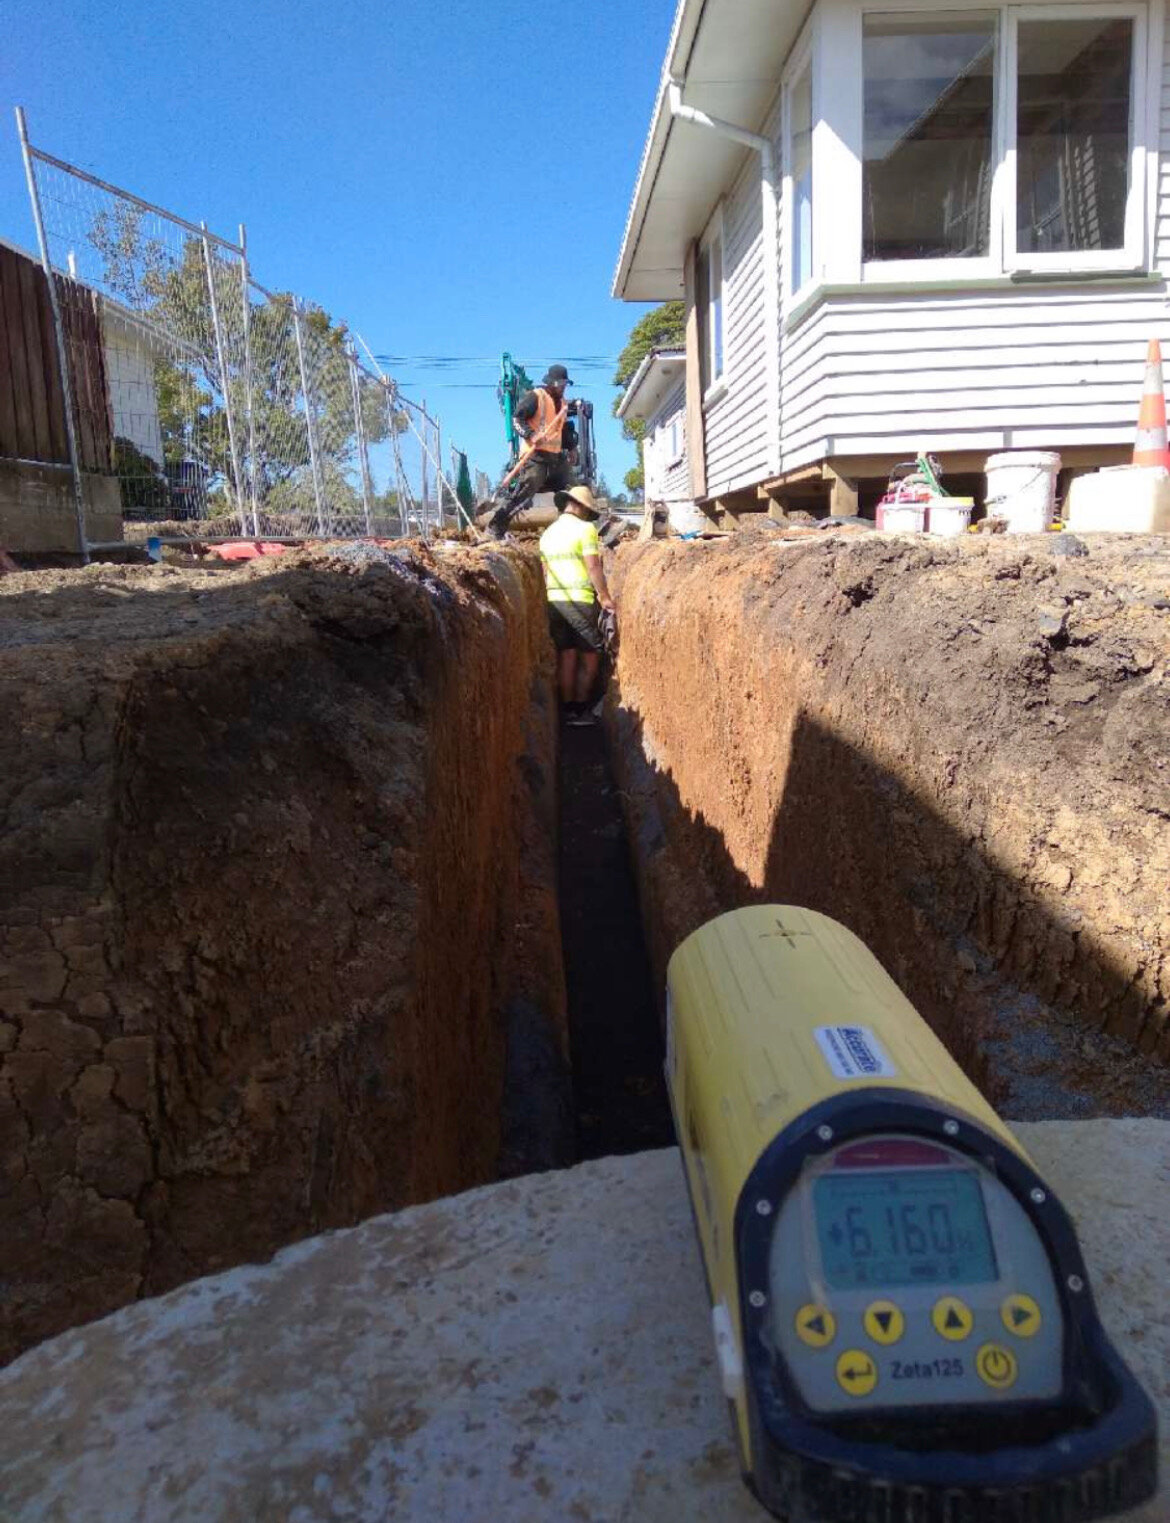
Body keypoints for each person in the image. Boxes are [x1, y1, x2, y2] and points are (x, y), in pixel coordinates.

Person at [539, 484, 615, 726]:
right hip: (579, 600)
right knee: (592, 655)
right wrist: (604, 597)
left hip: (554, 600)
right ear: (580, 506)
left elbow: (545, 571)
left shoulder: (547, 533)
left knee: (567, 655)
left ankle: (568, 710)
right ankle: (583, 711)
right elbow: (593, 567)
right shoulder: (585, 530)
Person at [488, 364, 586, 538]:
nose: (563, 387)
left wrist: (571, 448)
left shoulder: (563, 405)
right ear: (551, 383)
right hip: (536, 458)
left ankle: (596, 526)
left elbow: (562, 431)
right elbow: (517, 418)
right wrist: (531, 435)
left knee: (576, 491)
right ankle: (495, 527)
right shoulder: (536, 397)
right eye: (561, 384)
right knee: (524, 494)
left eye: (565, 384)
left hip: (556, 459)